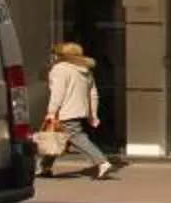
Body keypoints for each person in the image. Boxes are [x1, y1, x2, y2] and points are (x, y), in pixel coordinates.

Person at [42, 41, 116, 180]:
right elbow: (93, 94)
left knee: (76, 137)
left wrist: (51, 112)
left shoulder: (60, 69)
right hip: (79, 110)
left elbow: (58, 93)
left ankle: (102, 162)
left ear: (61, 55)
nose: (53, 56)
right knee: (56, 139)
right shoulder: (85, 70)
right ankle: (45, 167)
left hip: (65, 111)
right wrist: (92, 114)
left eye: (55, 53)